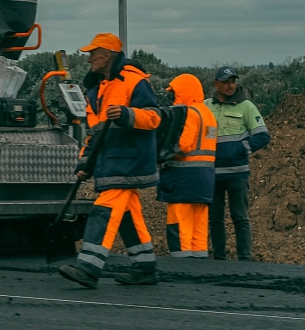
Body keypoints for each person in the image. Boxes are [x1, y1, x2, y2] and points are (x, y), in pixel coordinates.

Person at [59, 33, 161, 289]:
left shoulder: (134, 81)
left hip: (128, 163)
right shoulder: (95, 92)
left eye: (94, 53)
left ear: (108, 55)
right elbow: (94, 135)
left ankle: (88, 268)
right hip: (110, 163)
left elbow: (154, 118)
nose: (89, 58)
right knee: (128, 215)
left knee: (102, 211)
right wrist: (85, 164)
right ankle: (144, 267)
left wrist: (127, 114)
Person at [205, 66, 271, 261]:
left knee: (240, 218)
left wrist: (241, 149)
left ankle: (244, 260)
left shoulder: (247, 106)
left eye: (233, 81)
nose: (230, 85)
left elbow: (262, 137)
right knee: (215, 219)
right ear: (216, 84)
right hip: (212, 174)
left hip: (237, 174)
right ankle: (219, 259)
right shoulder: (206, 105)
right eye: (225, 82)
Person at [157, 74, 217, 258]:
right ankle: (199, 261)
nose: (173, 97)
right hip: (205, 178)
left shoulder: (190, 112)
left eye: (175, 93)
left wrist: (164, 152)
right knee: (199, 223)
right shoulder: (208, 114)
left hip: (184, 177)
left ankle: (181, 263)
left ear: (185, 91)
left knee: (179, 221)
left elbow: (184, 145)